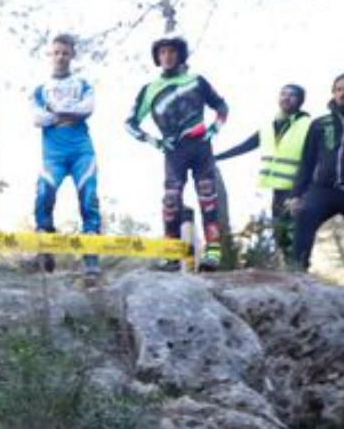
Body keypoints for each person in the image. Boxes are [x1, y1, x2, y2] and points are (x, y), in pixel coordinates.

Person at [125, 36, 230, 271]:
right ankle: (171, 253)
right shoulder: (150, 89)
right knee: (171, 200)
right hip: (174, 151)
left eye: (172, 51)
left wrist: (214, 128)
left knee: (208, 197)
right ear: (157, 57)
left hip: (201, 147)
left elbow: (222, 106)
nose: (167, 56)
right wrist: (156, 142)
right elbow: (129, 124)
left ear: (180, 54)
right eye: (162, 52)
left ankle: (213, 251)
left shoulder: (196, 80)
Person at [31, 33, 101, 277]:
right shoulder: (40, 89)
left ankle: (91, 258)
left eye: (65, 52)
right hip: (53, 154)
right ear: (50, 55)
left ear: (72, 55)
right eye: (56, 52)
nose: (60, 57)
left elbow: (87, 109)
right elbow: (37, 119)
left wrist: (55, 112)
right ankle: (45, 246)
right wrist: (68, 113)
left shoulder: (83, 84)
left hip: (82, 150)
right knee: (43, 194)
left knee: (89, 199)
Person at [215, 83, 310, 260]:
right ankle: (290, 268)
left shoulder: (308, 125)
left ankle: (299, 268)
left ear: (300, 101)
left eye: (292, 95)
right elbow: (246, 146)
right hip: (278, 188)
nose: (286, 98)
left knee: (294, 231)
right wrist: (216, 157)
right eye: (283, 94)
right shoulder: (269, 126)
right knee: (279, 231)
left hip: (299, 189)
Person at [287, 73, 344, 272]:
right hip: (323, 189)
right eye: (339, 89)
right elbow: (307, 162)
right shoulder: (320, 124)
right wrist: (295, 195)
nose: (342, 93)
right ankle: (297, 271)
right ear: (333, 93)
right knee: (305, 216)